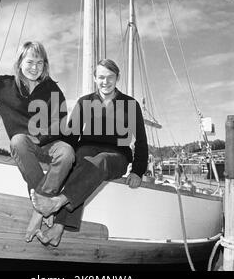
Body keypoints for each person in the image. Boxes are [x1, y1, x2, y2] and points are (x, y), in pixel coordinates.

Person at [31, 59, 148, 246]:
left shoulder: (130, 104)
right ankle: (58, 228)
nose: (105, 81)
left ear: (117, 78)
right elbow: (71, 135)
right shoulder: (84, 102)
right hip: (86, 151)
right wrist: (59, 153)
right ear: (95, 78)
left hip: (116, 155)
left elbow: (141, 141)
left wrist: (137, 170)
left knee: (99, 160)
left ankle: (57, 203)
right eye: (101, 77)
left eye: (110, 77)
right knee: (80, 160)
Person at [0, 37, 75, 242]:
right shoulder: (4, 85)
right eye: (29, 62)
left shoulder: (52, 89)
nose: (34, 67)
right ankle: (45, 206)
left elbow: (61, 123)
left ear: (45, 65)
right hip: (23, 144)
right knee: (17, 140)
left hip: (49, 142)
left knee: (67, 152)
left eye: (39, 62)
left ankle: (39, 210)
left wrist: (41, 137)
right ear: (19, 63)